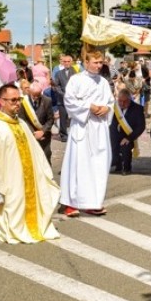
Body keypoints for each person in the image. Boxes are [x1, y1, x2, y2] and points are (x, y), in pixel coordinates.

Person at [0, 84, 60, 244]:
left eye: (19, 99)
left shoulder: (22, 124)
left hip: (27, 183)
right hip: (7, 186)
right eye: (13, 100)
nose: (17, 103)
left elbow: (36, 154)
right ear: (1, 101)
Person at [60, 46, 114, 217]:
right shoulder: (76, 80)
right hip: (83, 126)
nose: (99, 66)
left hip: (99, 128)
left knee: (98, 164)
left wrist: (106, 108)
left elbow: (111, 101)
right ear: (86, 62)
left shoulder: (103, 82)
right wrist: (88, 106)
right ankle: (71, 202)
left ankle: (93, 201)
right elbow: (69, 101)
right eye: (96, 62)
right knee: (79, 164)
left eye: (101, 62)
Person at [109, 89, 146, 175]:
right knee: (112, 146)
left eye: (124, 101)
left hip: (130, 136)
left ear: (129, 100)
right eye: (120, 101)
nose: (122, 104)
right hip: (115, 135)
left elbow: (141, 126)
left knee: (125, 146)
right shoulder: (114, 108)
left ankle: (127, 167)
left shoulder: (138, 109)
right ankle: (116, 164)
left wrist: (129, 138)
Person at [17, 82, 54, 163]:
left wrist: (42, 131)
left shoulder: (47, 100)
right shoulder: (23, 102)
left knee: (46, 156)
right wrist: (33, 133)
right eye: (34, 95)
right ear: (29, 92)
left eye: (38, 95)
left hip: (44, 135)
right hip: (29, 134)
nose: (36, 98)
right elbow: (22, 119)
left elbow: (50, 119)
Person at [51, 54, 77, 142]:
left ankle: (74, 134)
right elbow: (56, 86)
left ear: (71, 62)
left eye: (68, 61)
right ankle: (63, 135)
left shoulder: (76, 73)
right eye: (64, 61)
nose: (66, 63)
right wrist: (63, 94)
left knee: (74, 117)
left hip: (74, 99)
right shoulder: (58, 73)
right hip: (62, 99)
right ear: (62, 62)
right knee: (63, 117)